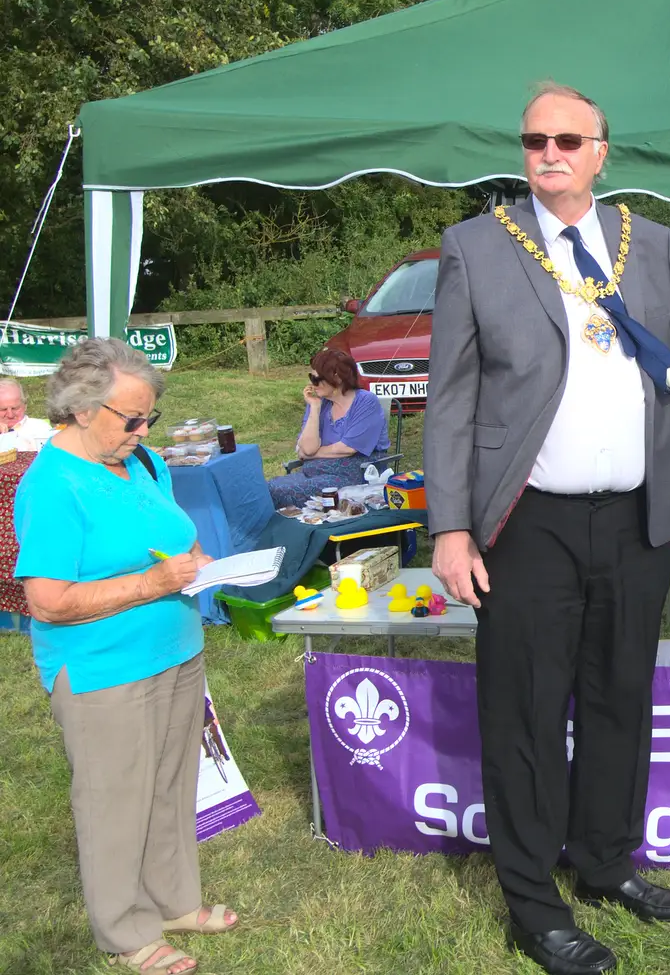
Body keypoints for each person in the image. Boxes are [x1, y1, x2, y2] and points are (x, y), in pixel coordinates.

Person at [425, 82, 670, 975]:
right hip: (527, 524)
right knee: (523, 711)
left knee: (619, 700)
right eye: (533, 139)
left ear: (602, 151)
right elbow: (449, 404)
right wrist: (450, 527)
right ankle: (532, 898)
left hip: (638, 519)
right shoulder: (477, 247)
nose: (548, 152)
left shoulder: (649, 244)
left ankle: (603, 859)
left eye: (567, 138)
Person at [14, 338, 240, 975]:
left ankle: (172, 900)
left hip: (175, 651)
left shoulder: (139, 462)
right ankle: (124, 930)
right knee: (116, 800)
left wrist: (193, 563)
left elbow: (172, 534)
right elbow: (49, 601)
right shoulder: (53, 486)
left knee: (170, 788)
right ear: (81, 410)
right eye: (131, 419)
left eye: (150, 419)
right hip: (103, 670)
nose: (142, 432)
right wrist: (154, 584)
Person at [266, 347, 389, 508]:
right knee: (266, 488)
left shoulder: (365, 402)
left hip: (355, 474)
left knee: (279, 490)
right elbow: (307, 447)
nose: (311, 383)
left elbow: (347, 448)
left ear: (336, 378)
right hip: (316, 472)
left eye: (316, 379)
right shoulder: (320, 402)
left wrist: (311, 455)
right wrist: (315, 407)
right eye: (311, 377)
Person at [0, 377, 57, 451]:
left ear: (25, 406)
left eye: (15, 408)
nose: (10, 415)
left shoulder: (41, 428)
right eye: (3, 409)